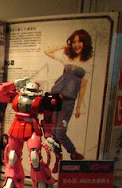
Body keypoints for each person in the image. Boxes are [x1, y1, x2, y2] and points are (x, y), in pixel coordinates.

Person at [44, 29, 94, 170]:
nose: (77, 44)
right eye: (74, 42)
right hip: (55, 97)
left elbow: (83, 86)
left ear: (85, 43)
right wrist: (64, 46)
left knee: (60, 131)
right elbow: (47, 51)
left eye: (80, 41)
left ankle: (73, 152)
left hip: (68, 101)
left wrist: (78, 107)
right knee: (53, 132)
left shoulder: (88, 62)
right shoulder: (67, 57)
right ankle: (58, 158)